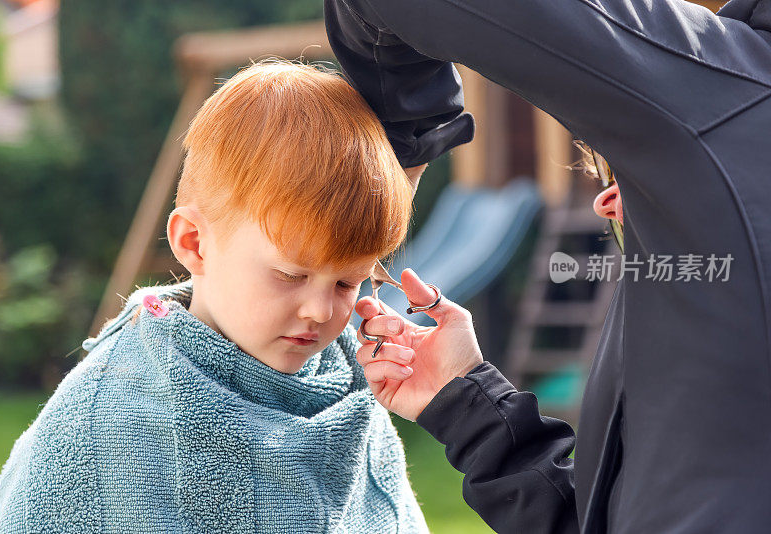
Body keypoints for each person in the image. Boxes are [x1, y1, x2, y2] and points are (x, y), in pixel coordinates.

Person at [325, 0, 771, 532]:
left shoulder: (728, 94)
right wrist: (466, 401)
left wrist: (397, 165)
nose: (603, 203)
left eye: (625, 165)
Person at [0, 60, 429, 534]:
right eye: (289, 274)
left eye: (347, 283)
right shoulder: (96, 427)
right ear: (194, 242)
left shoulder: (349, 391)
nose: (321, 311)